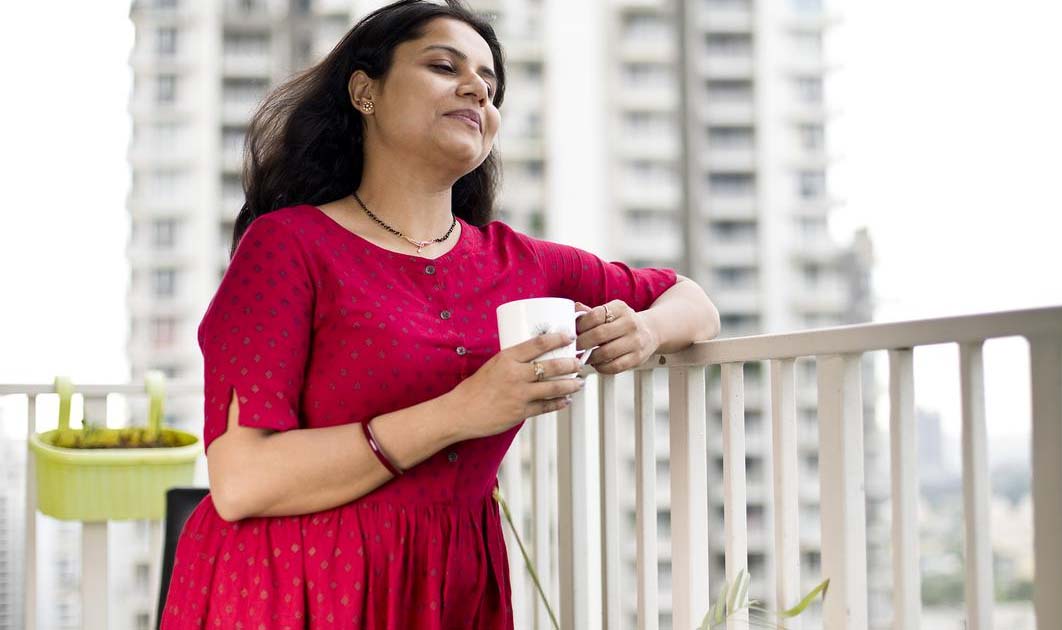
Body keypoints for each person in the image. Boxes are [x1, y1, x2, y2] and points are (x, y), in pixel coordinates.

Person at [159, 1, 720, 628]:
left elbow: (693, 301)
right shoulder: (287, 246)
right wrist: (462, 411)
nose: (476, 88)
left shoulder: (520, 262)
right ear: (364, 92)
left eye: (490, 83)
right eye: (443, 65)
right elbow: (242, 481)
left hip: (451, 589)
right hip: (291, 587)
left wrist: (644, 331)